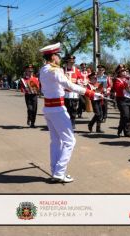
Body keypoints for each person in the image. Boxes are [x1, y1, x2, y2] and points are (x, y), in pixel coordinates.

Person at [39, 42, 101, 183]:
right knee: (69, 141)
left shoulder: (43, 69)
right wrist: (90, 93)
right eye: (58, 55)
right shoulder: (55, 70)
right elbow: (69, 85)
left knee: (56, 141)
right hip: (57, 109)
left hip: (48, 108)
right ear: (54, 56)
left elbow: (59, 87)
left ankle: (55, 171)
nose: (59, 58)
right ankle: (60, 172)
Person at [113, 64, 130, 137]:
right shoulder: (117, 80)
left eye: (125, 71)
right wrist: (127, 83)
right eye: (122, 71)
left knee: (129, 116)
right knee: (125, 115)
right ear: (119, 72)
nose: (124, 72)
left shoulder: (129, 79)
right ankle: (120, 128)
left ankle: (127, 132)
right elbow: (118, 88)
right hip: (122, 100)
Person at [63, 55, 82, 129]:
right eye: (70, 62)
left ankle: (73, 122)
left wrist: (79, 82)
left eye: (73, 62)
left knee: (74, 109)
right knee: (66, 109)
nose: (72, 63)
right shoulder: (62, 70)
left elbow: (79, 79)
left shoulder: (76, 70)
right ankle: (66, 123)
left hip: (74, 93)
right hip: (65, 93)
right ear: (67, 62)